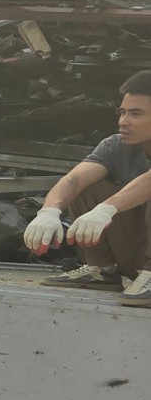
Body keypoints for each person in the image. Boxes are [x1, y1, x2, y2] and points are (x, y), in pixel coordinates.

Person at [23, 70, 151, 306]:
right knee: (86, 186)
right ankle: (102, 269)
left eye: (136, 114)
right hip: (137, 254)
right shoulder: (116, 146)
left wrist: (106, 209)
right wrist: (49, 212)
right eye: (122, 112)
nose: (123, 121)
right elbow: (75, 180)